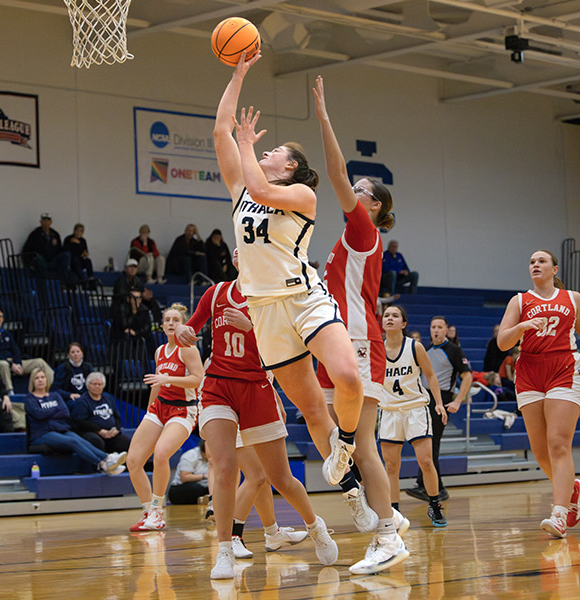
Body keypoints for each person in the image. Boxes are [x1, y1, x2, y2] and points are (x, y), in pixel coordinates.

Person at [213, 52, 362, 524]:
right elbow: (220, 132)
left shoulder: (302, 195)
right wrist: (237, 76)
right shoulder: (242, 188)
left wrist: (243, 144)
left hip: (303, 297)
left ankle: (350, 442)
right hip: (266, 312)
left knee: (349, 378)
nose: (263, 151)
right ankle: (355, 498)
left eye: (273, 150)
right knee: (314, 412)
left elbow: (259, 190)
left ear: (292, 166)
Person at [175, 252, 337, 577]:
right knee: (223, 468)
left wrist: (251, 327)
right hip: (219, 385)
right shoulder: (216, 293)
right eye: (236, 249)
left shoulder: (272, 299)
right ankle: (224, 550)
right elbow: (191, 330)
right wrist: (184, 334)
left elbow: (283, 351)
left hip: (257, 387)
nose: (239, 251)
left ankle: (315, 527)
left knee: (280, 478)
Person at [312, 75, 408, 573]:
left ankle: (388, 531)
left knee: (362, 442)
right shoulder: (349, 240)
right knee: (330, 431)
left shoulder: (362, 227)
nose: (354, 190)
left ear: (372, 206)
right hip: (337, 342)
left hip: (357, 340)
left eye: (362, 189)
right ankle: (383, 509)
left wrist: (324, 118)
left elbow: (334, 173)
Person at [497, 249, 580, 538]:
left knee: (558, 442)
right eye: (531, 261)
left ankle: (559, 513)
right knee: (540, 449)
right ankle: (572, 487)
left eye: (541, 261)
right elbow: (502, 342)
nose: (535, 265)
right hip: (530, 371)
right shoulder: (519, 300)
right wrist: (521, 325)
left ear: (555, 269)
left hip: (563, 367)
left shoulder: (573, 298)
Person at [126, 304, 202, 533]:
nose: (171, 323)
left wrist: (169, 378)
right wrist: (150, 410)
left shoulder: (187, 349)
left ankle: (158, 512)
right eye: (167, 319)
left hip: (183, 410)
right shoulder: (160, 351)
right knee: (133, 461)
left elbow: (198, 379)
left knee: (160, 454)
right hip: (160, 408)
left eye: (176, 320)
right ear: (161, 325)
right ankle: (148, 510)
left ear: (183, 325)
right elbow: (157, 383)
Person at [380, 305, 448, 527]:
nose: (390, 318)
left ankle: (435, 505)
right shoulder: (376, 349)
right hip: (389, 411)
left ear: (404, 323)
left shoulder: (415, 346)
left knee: (426, 461)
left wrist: (439, 403)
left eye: (395, 315)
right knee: (391, 467)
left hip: (416, 409)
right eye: (387, 315)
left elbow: (430, 375)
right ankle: (394, 512)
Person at [407, 315, 472, 503]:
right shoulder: (424, 349)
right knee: (424, 443)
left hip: (441, 399)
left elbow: (467, 377)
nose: (435, 330)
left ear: (446, 330)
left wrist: (457, 401)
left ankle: (437, 488)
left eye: (439, 327)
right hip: (423, 399)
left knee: (432, 444)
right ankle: (424, 484)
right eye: (433, 326)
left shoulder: (454, 350)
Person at [24, 369, 126, 475]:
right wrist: (55, 409)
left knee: (81, 440)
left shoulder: (55, 395)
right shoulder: (29, 399)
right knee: (73, 442)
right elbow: (39, 414)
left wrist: (48, 413)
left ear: (47, 380)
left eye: (42, 377)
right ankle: (101, 464)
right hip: (42, 433)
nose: (40, 380)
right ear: (32, 381)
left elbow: (64, 412)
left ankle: (108, 458)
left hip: (60, 428)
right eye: (37, 378)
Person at [0, 306, 54, 393]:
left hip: (13, 362)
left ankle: (49, 387)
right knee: (4, 365)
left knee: (40, 362)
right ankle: (10, 392)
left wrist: (17, 363)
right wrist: (11, 365)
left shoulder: (7, 334)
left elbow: (16, 350)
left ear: (3, 319)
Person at [69, 372, 130, 454]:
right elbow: (80, 422)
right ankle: (103, 464)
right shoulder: (82, 401)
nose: (97, 387)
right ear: (88, 385)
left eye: (100, 384)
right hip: (91, 432)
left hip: (110, 432)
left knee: (127, 442)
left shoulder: (108, 398)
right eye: (94, 384)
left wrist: (116, 429)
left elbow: (116, 416)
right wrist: (99, 431)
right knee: (97, 441)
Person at [22, 213, 74, 283]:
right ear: (41, 222)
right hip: (41, 261)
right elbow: (26, 250)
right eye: (44, 220)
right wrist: (29, 264)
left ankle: (65, 282)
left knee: (66, 255)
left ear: (51, 222)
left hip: (53, 261)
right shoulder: (35, 234)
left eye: (48, 220)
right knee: (38, 258)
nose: (46, 222)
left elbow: (60, 250)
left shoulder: (55, 234)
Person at [167, 440, 210, 505]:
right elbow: (184, 477)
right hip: (180, 488)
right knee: (195, 488)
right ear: (203, 452)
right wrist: (205, 476)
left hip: (204, 487)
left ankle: (206, 499)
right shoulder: (190, 455)